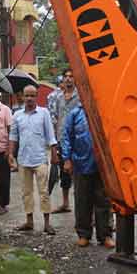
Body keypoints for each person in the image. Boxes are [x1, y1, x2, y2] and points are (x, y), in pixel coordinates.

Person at [61, 104, 114, 248]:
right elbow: (66, 136)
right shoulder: (74, 114)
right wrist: (66, 159)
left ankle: (105, 235)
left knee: (104, 200)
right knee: (82, 200)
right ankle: (84, 234)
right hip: (81, 163)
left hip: (103, 164)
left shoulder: (105, 110)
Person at [9, 85, 58, 235]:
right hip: (23, 159)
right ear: (22, 97)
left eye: (32, 95)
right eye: (27, 95)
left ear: (36, 97)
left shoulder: (44, 113)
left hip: (40, 158)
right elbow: (13, 137)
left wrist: (54, 155)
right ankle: (29, 221)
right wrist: (11, 154)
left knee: (44, 192)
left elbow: (50, 136)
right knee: (26, 192)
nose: (29, 98)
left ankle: (47, 223)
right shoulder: (17, 115)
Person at [48, 68, 79, 213]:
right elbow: (55, 117)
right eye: (66, 76)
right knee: (64, 172)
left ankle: (84, 207)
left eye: (71, 76)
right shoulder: (58, 98)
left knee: (80, 174)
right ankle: (65, 203)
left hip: (78, 139)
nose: (68, 79)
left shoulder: (80, 96)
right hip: (61, 138)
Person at [0, 92, 14, 214]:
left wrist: (9, 149)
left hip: (3, 150)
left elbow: (10, 130)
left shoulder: (5, 109)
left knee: (3, 180)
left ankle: (3, 205)